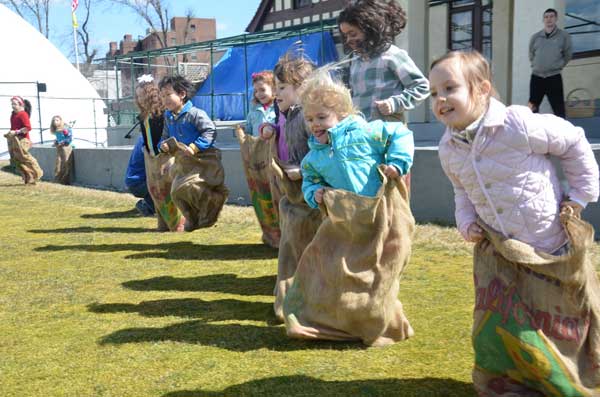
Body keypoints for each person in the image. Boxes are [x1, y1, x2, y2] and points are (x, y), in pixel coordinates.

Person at [430, 50, 600, 395]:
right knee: (510, 317)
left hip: (548, 243)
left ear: (482, 89)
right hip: (501, 251)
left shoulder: (517, 123)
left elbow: (574, 141)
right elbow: (461, 192)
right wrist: (466, 222)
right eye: (433, 93)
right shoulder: (449, 148)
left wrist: (580, 195)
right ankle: (516, 378)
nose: (440, 99)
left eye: (449, 88)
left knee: (559, 317)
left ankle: (572, 375)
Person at [300, 69, 414, 208]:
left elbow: (399, 132)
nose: (315, 124)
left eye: (321, 117)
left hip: (382, 207)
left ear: (341, 114)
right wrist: (314, 193)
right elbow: (310, 181)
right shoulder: (312, 159)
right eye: (309, 119)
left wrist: (397, 162)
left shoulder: (364, 133)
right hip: (349, 218)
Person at [338, 0, 430, 122]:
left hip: (388, 129)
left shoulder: (392, 55)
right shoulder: (356, 61)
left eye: (353, 34)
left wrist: (395, 103)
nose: (348, 40)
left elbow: (422, 86)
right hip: (362, 130)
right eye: (345, 36)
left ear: (370, 29)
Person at [259, 52, 314, 179]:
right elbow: (282, 129)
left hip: (307, 183)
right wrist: (270, 128)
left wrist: (302, 171)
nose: (275, 93)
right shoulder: (286, 114)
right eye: (275, 88)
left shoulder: (307, 118)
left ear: (301, 88)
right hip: (290, 178)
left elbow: (322, 154)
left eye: (282, 88)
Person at [528, 8, 572, 118]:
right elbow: (531, 53)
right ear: (543, 20)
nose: (549, 19)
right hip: (537, 77)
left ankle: (563, 134)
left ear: (556, 18)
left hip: (554, 77)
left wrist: (559, 65)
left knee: (559, 110)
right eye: (546, 17)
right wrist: (535, 65)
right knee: (532, 108)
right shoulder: (536, 37)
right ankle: (532, 133)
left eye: (551, 16)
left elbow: (568, 54)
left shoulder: (563, 36)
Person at [158, 75, 216, 155]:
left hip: (201, 159)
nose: (165, 99)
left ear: (182, 94)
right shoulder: (168, 117)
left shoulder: (195, 114)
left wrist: (195, 147)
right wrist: (163, 145)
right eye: (163, 96)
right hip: (182, 160)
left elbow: (210, 131)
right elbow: (165, 136)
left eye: (168, 94)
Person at [5, 96, 43, 184]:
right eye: (12, 104)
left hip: (24, 140)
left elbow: (28, 127)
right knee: (15, 159)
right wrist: (10, 134)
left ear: (21, 104)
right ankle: (28, 176)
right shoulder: (13, 114)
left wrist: (17, 132)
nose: (13, 106)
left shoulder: (23, 114)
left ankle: (37, 171)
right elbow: (13, 127)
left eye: (15, 104)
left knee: (23, 156)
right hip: (15, 139)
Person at [124, 135, 155, 216]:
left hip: (134, 181)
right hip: (140, 183)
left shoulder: (143, 137)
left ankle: (148, 203)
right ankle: (145, 205)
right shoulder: (150, 140)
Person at [244, 71, 276, 136]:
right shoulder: (253, 108)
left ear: (273, 89)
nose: (259, 94)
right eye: (256, 91)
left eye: (262, 90)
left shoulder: (278, 107)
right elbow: (249, 128)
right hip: (257, 145)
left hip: (274, 145)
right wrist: (243, 130)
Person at [49, 115, 74, 185]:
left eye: (57, 120)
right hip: (59, 147)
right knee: (58, 163)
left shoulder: (65, 128)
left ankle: (64, 181)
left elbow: (69, 138)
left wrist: (63, 142)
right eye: (54, 121)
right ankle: (57, 180)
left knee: (65, 164)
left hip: (66, 147)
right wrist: (56, 142)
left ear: (60, 121)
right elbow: (59, 138)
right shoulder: (57, 129)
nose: (55, 122)